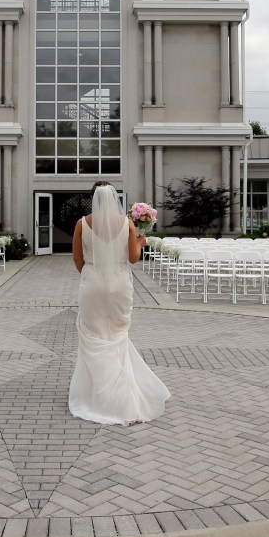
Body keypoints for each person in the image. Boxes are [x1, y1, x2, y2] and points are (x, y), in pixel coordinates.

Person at [68, 182, 170, 425]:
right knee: (116, 335)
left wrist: (93, 275)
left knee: (93, 336)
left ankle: (95, 394)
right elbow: (133, 258)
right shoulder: (128, 223)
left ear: (93, 199)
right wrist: (142, 241)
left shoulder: (82, 223)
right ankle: (123, 394)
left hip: (92, 283)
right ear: (115, 200)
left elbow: (77, 259)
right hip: (120, 285)